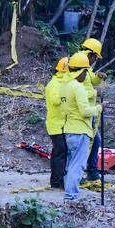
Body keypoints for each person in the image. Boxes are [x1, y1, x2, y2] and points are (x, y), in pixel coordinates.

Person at [60, 51, 102, 201]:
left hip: (69, 130)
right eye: (86, 71)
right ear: (81, 71)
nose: (86, 75)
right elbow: (85, 111)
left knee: (71, 164)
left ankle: (69, 192)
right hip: (80, 130)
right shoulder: (78, 87)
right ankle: (71, 196)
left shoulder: (64, 85)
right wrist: (98, 108)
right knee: (77, 166)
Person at [78, 38, 106, 181]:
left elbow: (89, 82)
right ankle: (87, 171)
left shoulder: (86, 67)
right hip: (84, 110)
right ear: (91, 54)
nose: (95, 60)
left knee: (95, 141)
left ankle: (91, 171)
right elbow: (79, 91)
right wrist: (96, 92)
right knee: (88, 142)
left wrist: (98, 78)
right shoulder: (79, 66)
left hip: (89, 109)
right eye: (95, 57)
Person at [44, 57, 70, 188]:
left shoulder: (62, 83)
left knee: (60, 152)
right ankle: (57, 181)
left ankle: (58, 179)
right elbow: (55, 100)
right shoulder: (54, 84)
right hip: (56, 125)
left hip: (62, 125)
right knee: (60, 152)